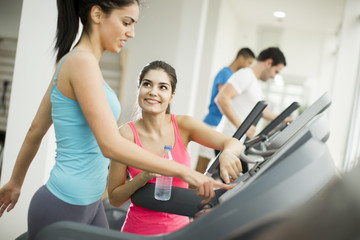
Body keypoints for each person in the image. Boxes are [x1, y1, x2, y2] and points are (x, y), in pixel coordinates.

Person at [0, 1, 233, 239]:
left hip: (91, 204)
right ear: (97, 14)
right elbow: (109, 144)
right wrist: (185, 172)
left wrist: (15, 182)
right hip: (64, 202)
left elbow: (35, 129)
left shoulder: (77, 62)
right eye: (126, 22)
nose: (131, 32)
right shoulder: (80, 63)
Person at [107, 60, 244, 235]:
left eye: (162, 87)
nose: (153, 92)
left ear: (171, 95)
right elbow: (115, 198)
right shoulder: (125, 134)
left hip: (179, 231)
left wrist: (227, 154)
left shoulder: (183, 125)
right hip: (138, 231)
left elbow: (233, 142)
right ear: (139, 89)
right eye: (147, 84)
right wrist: (143, 177)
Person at [196, 48, 255, 174]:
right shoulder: (225, 73)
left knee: (213, 166)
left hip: (220, 125)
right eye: (248, 63)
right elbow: (223, 98)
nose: (248, 67)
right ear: (240, 58)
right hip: (212, 122)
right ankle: (190, 192)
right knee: (203, 163)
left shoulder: (233, 76)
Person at [215, 47, 289, 144]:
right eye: (276, 71)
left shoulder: (256, 82)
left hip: (236, 140)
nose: (274, 76)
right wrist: (242, 128)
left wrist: (285, 119)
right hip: (227, 137)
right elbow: (222, 98)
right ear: (268, 62)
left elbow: (262, 112)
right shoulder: (246, 74)